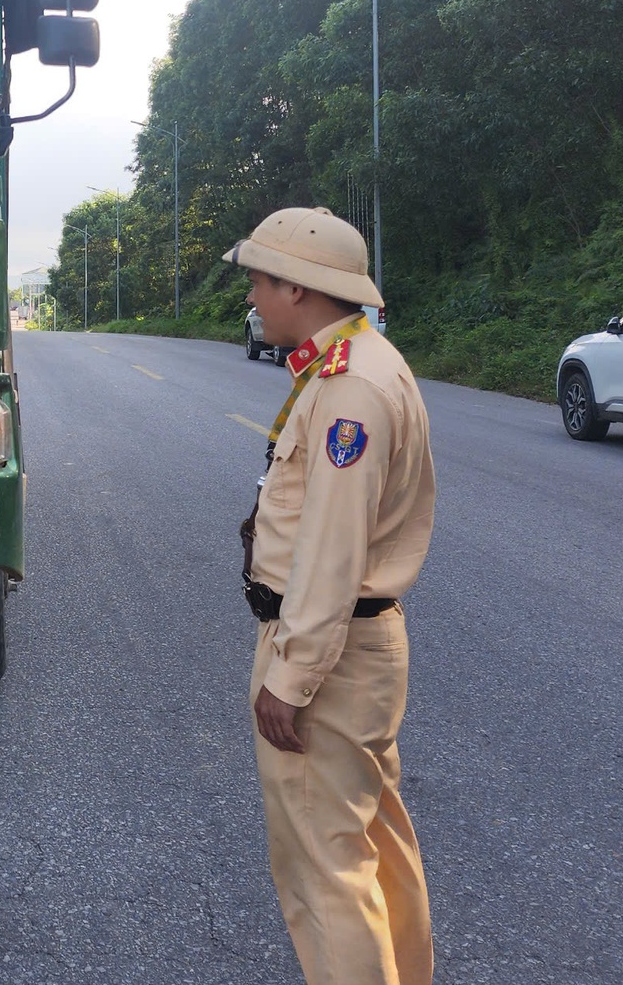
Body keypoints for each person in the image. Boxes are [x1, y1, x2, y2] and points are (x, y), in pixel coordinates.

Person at [222, 207, 437, 985]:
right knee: (372, 844)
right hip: (350, 646)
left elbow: (333, 547)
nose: (252, 297)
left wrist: (293, 673)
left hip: (329, 653)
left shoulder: (351, 386)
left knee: (327, 870)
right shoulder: (352, 363)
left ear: (299, 288)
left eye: (259, 281)